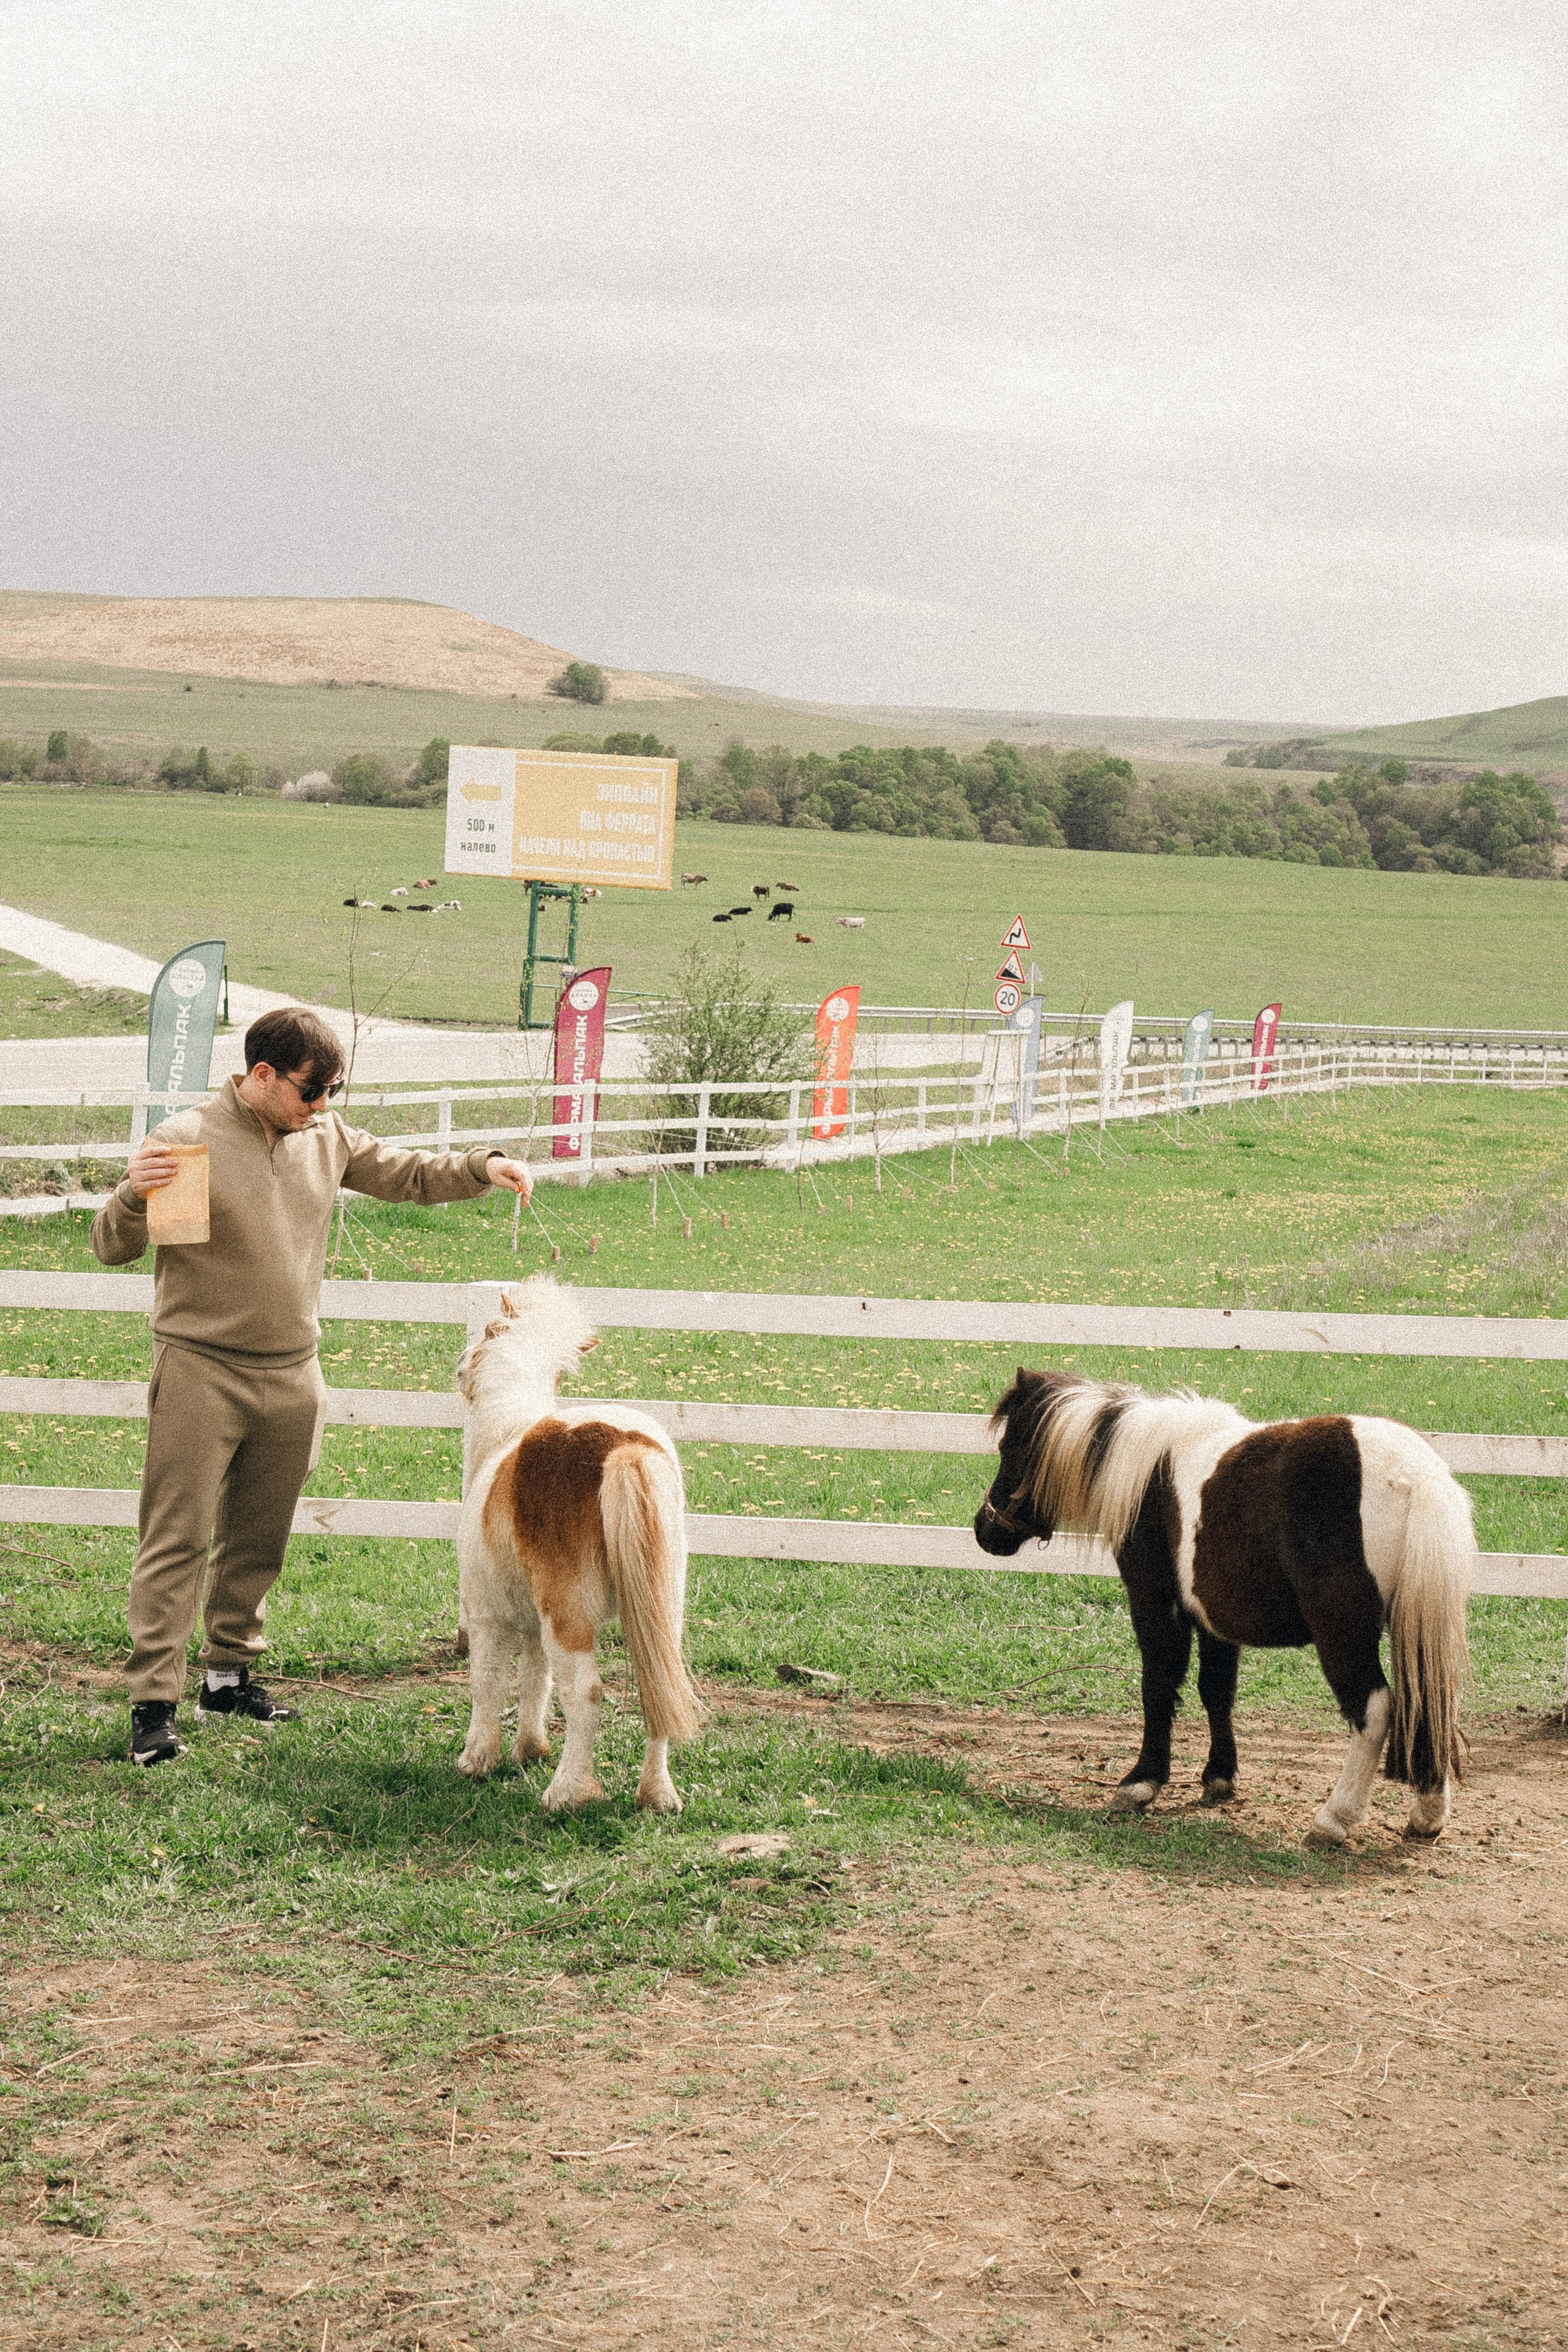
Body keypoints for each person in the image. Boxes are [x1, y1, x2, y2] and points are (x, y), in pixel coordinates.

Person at [91, 1005, 533, 1765]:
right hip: (201, 1367)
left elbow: (408, 1174)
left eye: (334, 1090)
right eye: (311, 1090)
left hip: (295, 1371)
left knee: (259, 1537)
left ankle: (228, 1677)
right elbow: (113, 1248)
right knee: (178, 1540)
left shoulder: (322, 1136)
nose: (324, 1105)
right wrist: (133, 1197)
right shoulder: (187, 1142)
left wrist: (480, 1167)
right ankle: (152, 1708)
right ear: (261, 1076)